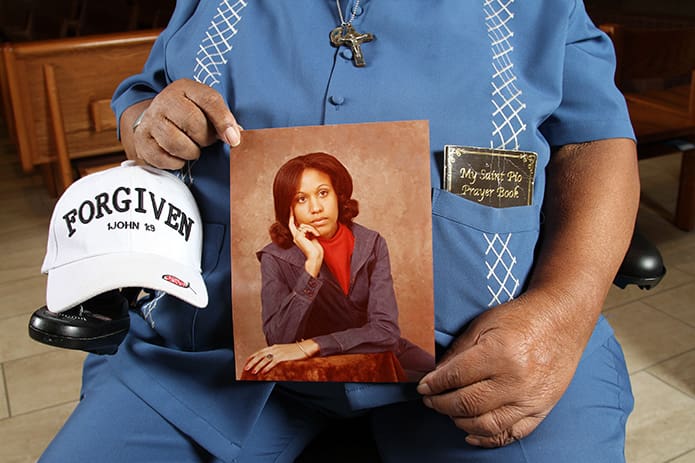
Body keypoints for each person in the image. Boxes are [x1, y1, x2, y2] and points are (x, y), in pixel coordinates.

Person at [39, 1, 640, 462]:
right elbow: (146, 95)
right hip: (208, 354)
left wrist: (563, 311)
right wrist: (147, 120)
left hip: (479, 356)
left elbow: (596, 137)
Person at [243, 152, 434, 381]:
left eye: (323, 193)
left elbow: (386, 332)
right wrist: (311, 266)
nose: (316, 208)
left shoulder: (371, 243)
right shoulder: (274, 257)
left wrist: (312, 345)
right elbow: (278, 338)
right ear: (289, 209)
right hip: (328, 366)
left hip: (377, 349)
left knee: (441, 375)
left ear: (338, 195)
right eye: (301, 199)